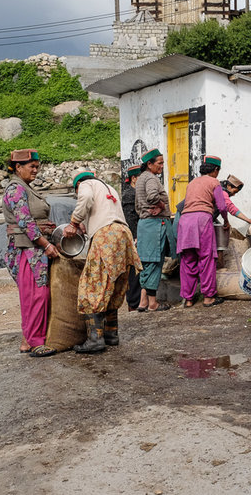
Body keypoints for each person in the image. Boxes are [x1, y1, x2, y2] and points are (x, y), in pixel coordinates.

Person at [64, 171, 142, 353]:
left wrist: (74, 223)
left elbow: (86, 198)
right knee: (113, 284)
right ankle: (111, 334)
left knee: (92, 285)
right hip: (123, 234)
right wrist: (86, 222)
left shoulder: (86, 185)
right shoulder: (109, 188)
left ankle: (94, 339)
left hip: (106, 236)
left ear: (78, 184)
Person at [2, 149, 58, 358]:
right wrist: (46, 244)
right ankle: (36, 342)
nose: (35, 170)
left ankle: (28, 339)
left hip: (32, 247)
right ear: (18, 167)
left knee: (33, 293)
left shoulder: (25, 188)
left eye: (37, 167)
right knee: (37, 294)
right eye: (31, 167)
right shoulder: (16, 189)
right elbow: (25, 221)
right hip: (26, 249)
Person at [178, 155, 230, 307]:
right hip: (202, 220)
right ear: (215, 170)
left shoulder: (192, 182)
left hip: (185, 220)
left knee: (188, 260)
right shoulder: (214, 182)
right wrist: (226, 222)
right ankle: (208, 297)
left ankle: (188, 299)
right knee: (206, 258)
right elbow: (221, 206)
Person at [135, 148, 176, 312]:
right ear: (149, 164)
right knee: (154, 263)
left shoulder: (140, 179)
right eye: (159, 163)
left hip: (144, 225)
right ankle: (153, 304)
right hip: (154, 226)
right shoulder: (151, 179)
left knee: (146, 263)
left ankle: (142, 302)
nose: (162, 166)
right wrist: (162, 206)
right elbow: (152, 196)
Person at [122, 164, 142, 311]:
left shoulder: (136, 193)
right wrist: (135, 236)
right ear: (134, 178)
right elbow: (130, 218)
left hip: (138, 235)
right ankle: (134, 303)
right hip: (134, 237)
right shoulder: (130, 194)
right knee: (134, 272)